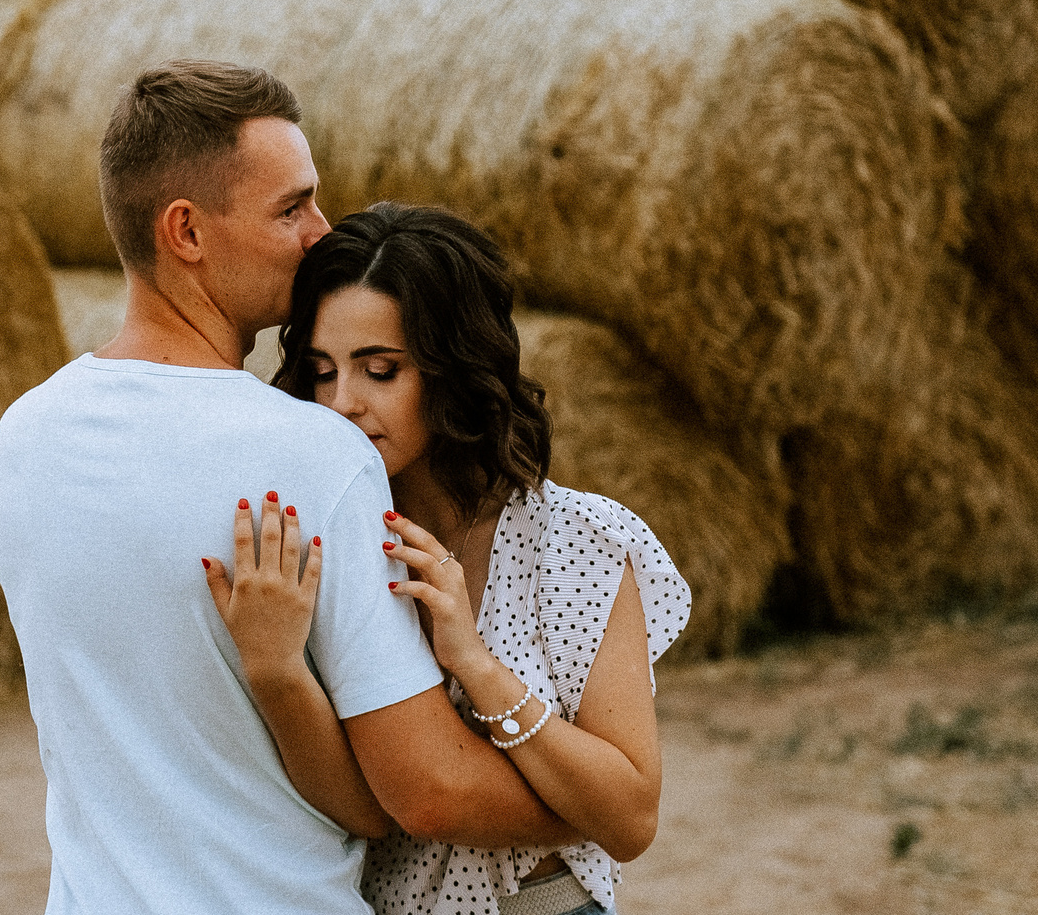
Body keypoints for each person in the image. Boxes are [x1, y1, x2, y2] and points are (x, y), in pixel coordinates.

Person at [0, 62, 576, 915]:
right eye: (290, 206)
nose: (320, 231)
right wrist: (603, 814)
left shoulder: (23, 437)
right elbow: (423, 791)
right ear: (185, 230)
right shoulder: (312, 453)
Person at [212, 202, 689, 915]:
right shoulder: (318, 548)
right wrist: (277, 671)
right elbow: (362, 809)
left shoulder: (577, 542)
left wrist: (476, 665)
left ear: (452, 370)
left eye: (380, 369)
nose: (342, 402)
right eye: (321, 370)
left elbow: (631, 813)